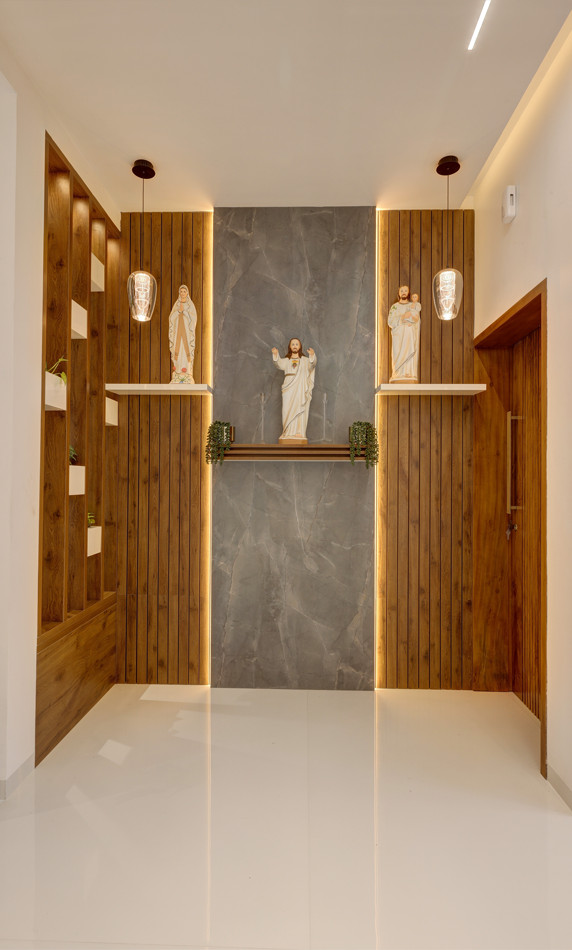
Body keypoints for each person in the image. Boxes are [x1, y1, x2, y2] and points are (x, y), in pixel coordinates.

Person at [271, 338, 316, 442]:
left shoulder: (305, 360)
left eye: (296, 344)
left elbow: (312, 365)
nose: (295, 346)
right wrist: (276, 355)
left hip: (300, 386)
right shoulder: (286, 361)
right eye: (293, 344)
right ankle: (286, 431)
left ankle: (299, 431)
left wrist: (312, 356)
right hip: (288, 386)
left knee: (299, 407)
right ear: (290, 347)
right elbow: (278, 363)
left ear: (300, 346)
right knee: (286, 409)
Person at [388, 285, 421, 382]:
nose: (403, 292)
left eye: (405, 291)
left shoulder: (413, 306)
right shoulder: (395, 307)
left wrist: (414, 320)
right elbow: (390, 322)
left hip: (409, 335)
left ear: (408, 293)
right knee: (397, 353)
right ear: (398, 293)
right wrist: (402, 317)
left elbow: (417, 320)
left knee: (409, 350)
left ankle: (408, 372)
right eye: (401, 291)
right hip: (398, 336)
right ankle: (397, 374)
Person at [168, 284, 197, 384]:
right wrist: (178, 312)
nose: (183, 293)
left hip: (187, 333)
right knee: (178, 350)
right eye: (181, 291)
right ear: (179, 293)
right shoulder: (176, 305)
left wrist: (184, 312)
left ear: (187, 293)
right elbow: (171, 318)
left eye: (184, 291)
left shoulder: (190, 305)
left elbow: (194, 319)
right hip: (177, 333)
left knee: (185, 350)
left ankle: (187, 372)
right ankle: (178, 371)